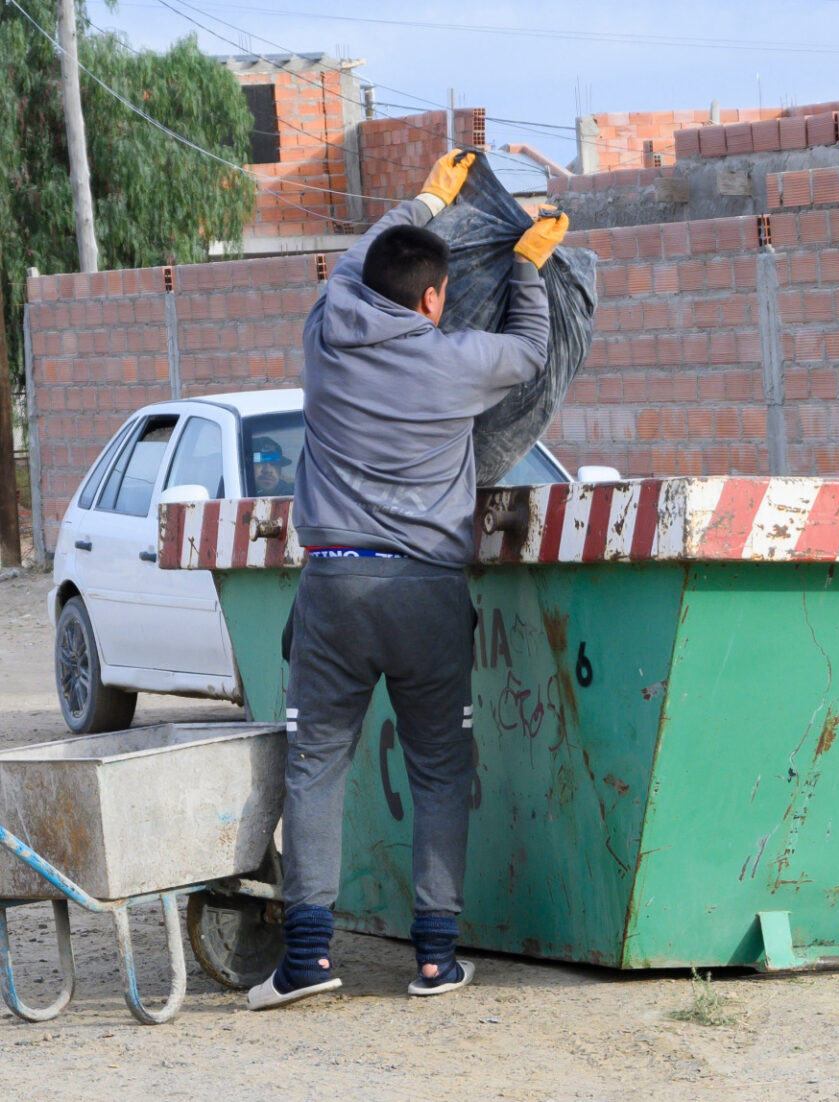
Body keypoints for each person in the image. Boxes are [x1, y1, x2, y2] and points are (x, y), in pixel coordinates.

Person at [248, 149, 569, 1010]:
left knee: (315, 764)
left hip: (332, 583)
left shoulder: (327, 328)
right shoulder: (458, 360)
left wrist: (427, 197)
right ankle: (434, 958)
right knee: (437, 768)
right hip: (425, 589)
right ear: (437, 300)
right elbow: (532, 353)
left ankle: (308, 957)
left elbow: (361, 258)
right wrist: (528, 268)